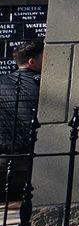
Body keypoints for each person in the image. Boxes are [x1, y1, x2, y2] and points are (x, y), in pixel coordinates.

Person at [1, 37, 44, 203]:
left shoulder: (2, 82)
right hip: (31, 160)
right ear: (32, 61)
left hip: (3, 156)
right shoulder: (42, 86)